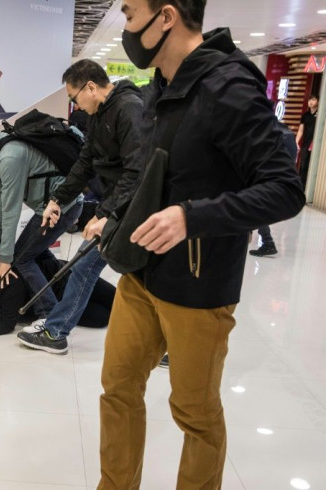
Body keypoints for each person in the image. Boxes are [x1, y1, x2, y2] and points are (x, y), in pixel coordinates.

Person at [96, 1, 305, 488]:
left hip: (199, 284)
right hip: (141, 271)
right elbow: (152, 171)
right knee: (118, 387)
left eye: (129, 16)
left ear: (166, 17)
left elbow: (284, 188)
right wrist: (114, 214)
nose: (125, 27)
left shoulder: (229, 86)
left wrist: (193, 217)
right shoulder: (161, 87)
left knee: (195, 412)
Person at [16, 59, 144, 355]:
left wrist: (107, 214)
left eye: (74, 98)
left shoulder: (128, 108)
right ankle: (56, 331)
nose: (75, 105)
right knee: (86, 268)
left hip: (137, 208)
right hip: (120, 206)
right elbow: (84, 164)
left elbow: (138, 172)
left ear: (90, 87)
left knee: (137, 278)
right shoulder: (100, 114)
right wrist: (56, 200)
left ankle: (57, 331)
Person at [0, 106, 83, 319]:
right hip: (46, 207)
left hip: (63, 207)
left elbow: (11, 210)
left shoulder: (9, 157)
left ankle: (51, 318)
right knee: (32, 253)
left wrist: (6, 260)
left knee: (21, 260)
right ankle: (58, 292)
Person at [0, 241, 115, 340]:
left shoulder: (8, 278)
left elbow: (6, 324)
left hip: (66, 279)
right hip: (60, 305)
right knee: (103, 318)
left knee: (116, 299)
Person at [250, 122, 299, 257]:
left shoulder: (259, 128)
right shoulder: (285, 131)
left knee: (255, 199)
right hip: (283, 169)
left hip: (270, 166)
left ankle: (267, 242)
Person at [296, 93, 319, 186]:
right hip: (306, 144)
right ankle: (301, 187)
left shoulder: (320, 115)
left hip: (316, 144)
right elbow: (301, 130)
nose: (311, 102)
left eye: (313, 100)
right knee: (303, 166)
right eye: (309, 100)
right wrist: (296, 142)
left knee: (313, 166)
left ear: (318, 101)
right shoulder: (305, 115)